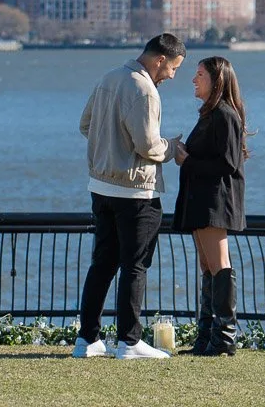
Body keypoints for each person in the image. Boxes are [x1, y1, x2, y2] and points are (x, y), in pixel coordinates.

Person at [74, 33, 185, 360]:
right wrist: (172, 148)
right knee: (134, 265)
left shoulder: (108, 78)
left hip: (101, 187)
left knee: (102, 264)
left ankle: (87, 339)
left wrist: (109, 146)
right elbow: (148, 145)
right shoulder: (144, 90)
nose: (173, 76)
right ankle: (130, 341)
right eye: (174, 68)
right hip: (136, 192)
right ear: (160, 59)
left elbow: (85, 125)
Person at [172, 55, 248, 356]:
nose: (194, 79)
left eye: (200, 74)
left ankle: (224, 338)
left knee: (219, 267)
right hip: (201, 199)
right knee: (207, 268)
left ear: (216, 80)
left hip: (215, 201)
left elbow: (228, 163)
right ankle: (205, 337)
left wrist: (188, 160)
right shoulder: (210, 115)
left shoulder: (225, 115)